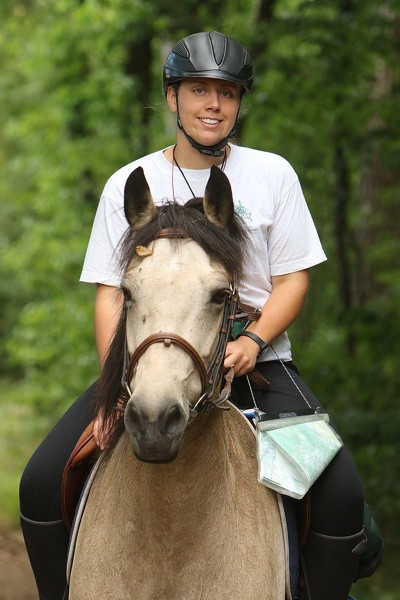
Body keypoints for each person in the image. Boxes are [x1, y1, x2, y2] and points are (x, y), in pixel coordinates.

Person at [20, 31, 370, 600]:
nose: (214, 104)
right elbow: (111, 293)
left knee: (340, 493)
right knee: (39, 482)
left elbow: (293, 279)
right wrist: (116, 385)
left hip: (257, 364)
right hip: (148, 362)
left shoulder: (272, 175)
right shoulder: (128, 184)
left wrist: (254, 339)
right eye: (199, 90)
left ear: (238, 105)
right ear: (171, 98)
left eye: (227, 94)